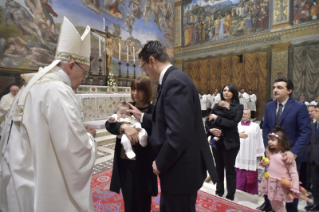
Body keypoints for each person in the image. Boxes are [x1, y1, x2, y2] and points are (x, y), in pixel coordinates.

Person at [0, 17, 97, 212]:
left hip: (19, 180)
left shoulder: (32, 84)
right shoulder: (58, 91)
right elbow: (74, 150)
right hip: (41, 188)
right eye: (84, 72)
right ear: (70, 66)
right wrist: (89, 137)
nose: (84, 78)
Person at [127, 41, 218, 212]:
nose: (145, 72)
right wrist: (143, 117)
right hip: (180, 167)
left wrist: (160, 163)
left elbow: (178, 134)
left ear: (152, 61)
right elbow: (169, 119)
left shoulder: (174, 82)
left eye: (144, 67)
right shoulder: (173, 79)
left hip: (180, 171)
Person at [257, 77, 312, 212]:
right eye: (274, 87)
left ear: (289, 90)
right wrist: (267, 146)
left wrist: (293, 152)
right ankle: (268, 204)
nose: (275, 90)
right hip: (272, 153)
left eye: (280, 87)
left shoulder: (299, 107)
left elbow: (306, 132)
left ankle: (291, 209)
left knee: (289, 186)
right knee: (270, 179)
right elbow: (265, 127)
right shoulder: (269, 106)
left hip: (290, 155)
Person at [105, 76, 158, 212]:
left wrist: (141, 138)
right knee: (128, 200)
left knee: (143, 202)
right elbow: (109, 124)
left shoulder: (154, 110)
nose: (135, 93)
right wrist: (124, 127)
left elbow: (159, 137)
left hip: (144, 164)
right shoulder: (126, 106)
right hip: (125, 162)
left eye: (139, 89)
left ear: (147, 91)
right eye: (133, 89)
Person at [206, 83, 243, 201]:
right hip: (217, 142)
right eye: (224, 90)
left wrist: (217, 119)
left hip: (230, 142)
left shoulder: (238, 107)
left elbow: (233, 123)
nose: (226, 92)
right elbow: (208, 120)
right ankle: (219, 191)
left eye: (229, 91)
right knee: (218, 167)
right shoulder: (217, 105)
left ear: (234, 93)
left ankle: (230, 195)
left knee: (229, 169)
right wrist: (210, 129)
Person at [259, 127, 300, 212]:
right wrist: (264, 163)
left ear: (281, 142)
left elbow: (293, 172)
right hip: (270, 180)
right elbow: (269, 163)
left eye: (273, 140)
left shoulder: (286, 156)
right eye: (269, 140)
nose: (270, 142)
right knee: (272, 201)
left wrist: (295, 187)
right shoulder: (270, 151)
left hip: (280, 184)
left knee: (279, 205)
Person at [235, 109, 264, 194]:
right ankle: (238, 189)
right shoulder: (236, 125)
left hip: (250, 153)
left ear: (250, 115)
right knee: (239, 171)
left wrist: (258, 153)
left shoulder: (255, 126)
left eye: (245, 114)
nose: (243, 115)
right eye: (242, 113)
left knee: (250, 172)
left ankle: (250, 191)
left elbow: (259, 140)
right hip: (239, 153)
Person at [306, 103, 319, 211]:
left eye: (316, 111)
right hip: (314, 158)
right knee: (315, 183)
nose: (313, 112)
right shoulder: (313, 125)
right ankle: (316, 203)